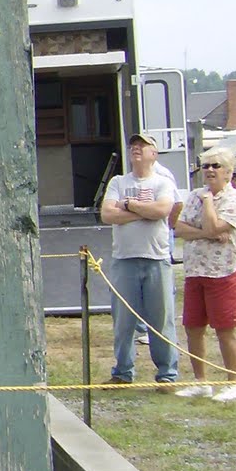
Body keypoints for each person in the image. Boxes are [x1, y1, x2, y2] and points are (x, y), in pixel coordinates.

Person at [98, 132, 178, 386]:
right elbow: (107, 215)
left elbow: (163, 210)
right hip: (124, 260)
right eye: (133, 146)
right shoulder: (118, 182)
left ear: (154, 154)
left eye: (143, 146)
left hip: (156, 259)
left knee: (161, 319)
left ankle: (167, 374)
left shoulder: (163, 183)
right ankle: (122, 372)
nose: (136, 149)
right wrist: (144, 212)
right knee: (123, 321)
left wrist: (128, 206)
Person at [172, 147, 236, 402]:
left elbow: (214, 225)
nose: (209, 170)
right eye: (205, 166)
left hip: (225, 270)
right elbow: (179, 228)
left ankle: (234, 384)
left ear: (228, 172)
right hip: (196, 270)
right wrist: (209, 232)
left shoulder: (234, 199)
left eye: (215, 166)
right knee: (193, 327)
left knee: (225, 329)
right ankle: (201, 382)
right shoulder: (195, 195)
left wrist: (208, 208)